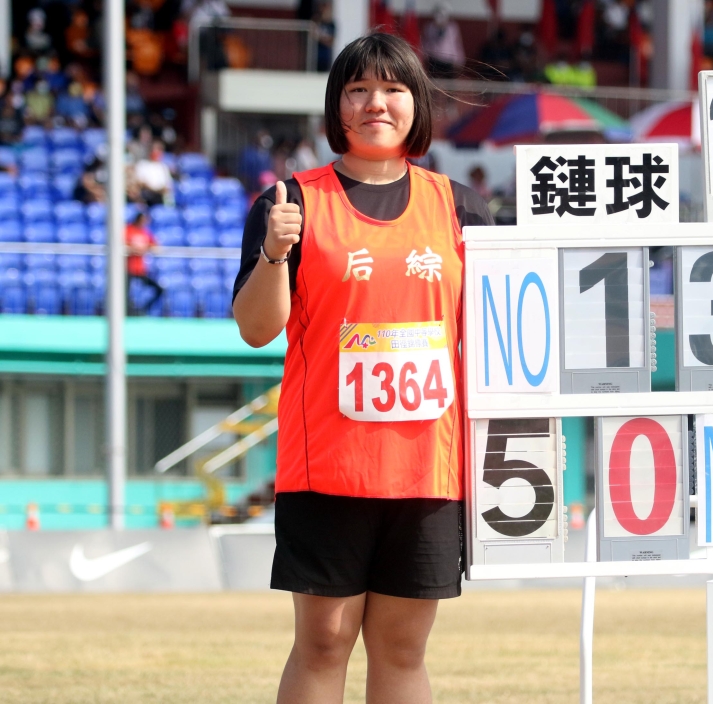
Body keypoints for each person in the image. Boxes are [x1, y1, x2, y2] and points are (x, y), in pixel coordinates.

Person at [231, 32, 493, 703]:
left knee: (404, 649)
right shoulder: (289, 203)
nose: (377, 102)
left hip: (428, 470)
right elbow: (258, 330)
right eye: (358, 88)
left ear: (417, 104)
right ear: (336, 104)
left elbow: (496, 341)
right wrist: (272, 255)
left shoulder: (462, 209)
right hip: (328, 469)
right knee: (323, 642)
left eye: (394, 88)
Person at [125, 212, 164, 315]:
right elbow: (122, 244)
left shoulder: (144, 232)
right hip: (127, 269)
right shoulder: (127, 230)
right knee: (124, 294)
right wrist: (135, 249)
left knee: (159, 289)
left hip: (140, 269)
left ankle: (143, 310)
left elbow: (155, 246)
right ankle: (127, 312)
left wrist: (146, 248)